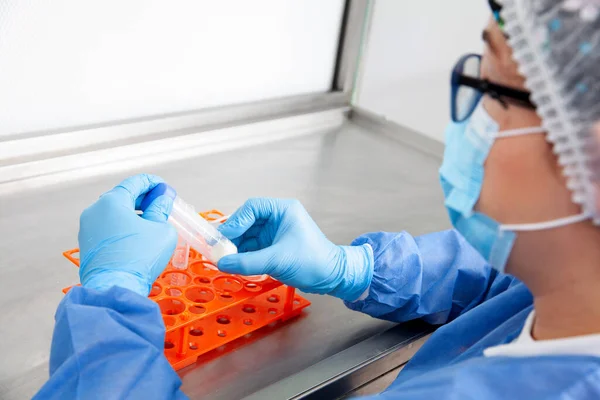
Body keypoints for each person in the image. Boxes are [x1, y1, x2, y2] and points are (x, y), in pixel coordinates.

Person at [35, 0, 600, 398]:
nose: (473, 120)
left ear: (589, 152)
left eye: (490, 92)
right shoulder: (573, 291)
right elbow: (504, 284)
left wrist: (110, 300)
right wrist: (355, 268)